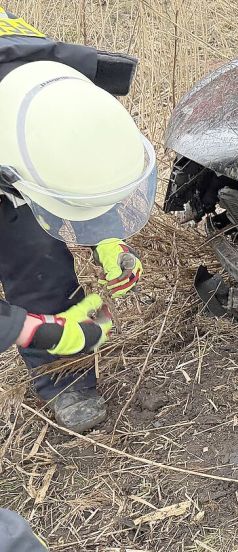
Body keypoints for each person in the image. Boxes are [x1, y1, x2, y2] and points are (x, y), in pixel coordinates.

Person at [0, 8, 155, 433]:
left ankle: (66, 377)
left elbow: (74, 161)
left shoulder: (51, 77)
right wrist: (31, 329)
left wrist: (107, 239)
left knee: (35, 253)